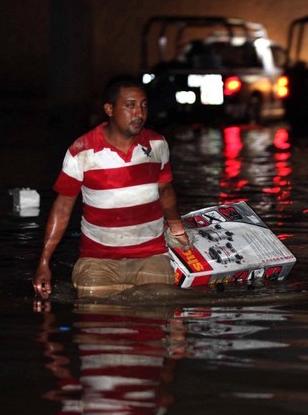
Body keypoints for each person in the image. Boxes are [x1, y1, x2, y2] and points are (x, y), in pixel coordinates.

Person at [33, 75, 190, 299]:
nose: (139, 113)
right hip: (97, 259)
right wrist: (44, 262)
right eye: (130, 106)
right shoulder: (81, 151)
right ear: (109, 109)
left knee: (157, 315)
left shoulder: (157, 144)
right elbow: (63, 207)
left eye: (143, 105)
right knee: (97, 322)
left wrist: (178, 230)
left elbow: (165, 190)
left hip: (151, 255)